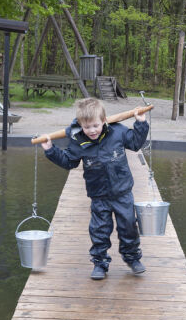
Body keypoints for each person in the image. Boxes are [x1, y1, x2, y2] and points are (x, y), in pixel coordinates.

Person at [41, 98, 149, 280]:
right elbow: (69, 161)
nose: (92, 131)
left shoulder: (118, 132)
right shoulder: (78, 141)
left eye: (96, 126)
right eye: (87, 127)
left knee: (129, 226)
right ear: (81, 125)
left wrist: (141, 123)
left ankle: (132, 258)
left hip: (123, 193)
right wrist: (51, 150)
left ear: (105, 120)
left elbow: (135, 143)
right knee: (99, 230)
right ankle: (100, 263)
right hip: (99, 196)